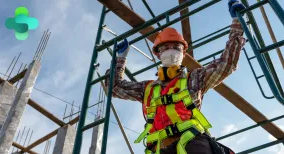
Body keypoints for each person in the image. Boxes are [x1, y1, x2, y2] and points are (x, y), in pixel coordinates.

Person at [105, 0, 246, 153]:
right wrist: (120, 59)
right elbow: (114, 88)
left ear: (183, 53)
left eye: (176, 48)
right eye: (166, 47)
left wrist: (237, 24)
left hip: (193, 143)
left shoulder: (195, 79)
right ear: (158, 53)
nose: (171, 51)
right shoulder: (147, 89)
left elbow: (226, 64)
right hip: (158, 148)